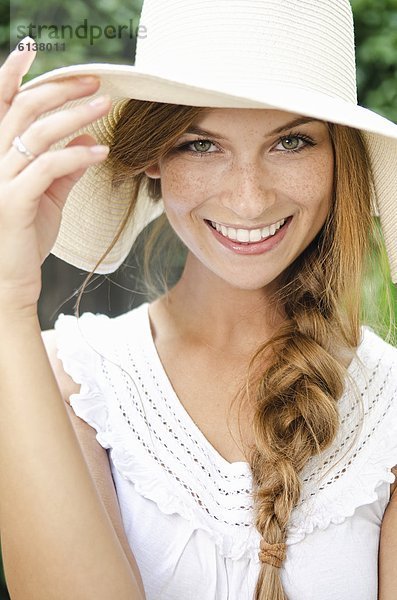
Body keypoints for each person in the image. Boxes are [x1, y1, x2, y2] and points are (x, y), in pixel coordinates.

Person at [1, 1, 397, 599]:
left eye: (290, 141)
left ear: (342, 157)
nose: (248, 200)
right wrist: (7, 301)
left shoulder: (389, 409)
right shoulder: (74, 383)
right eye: (201, 145)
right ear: (154, 155)